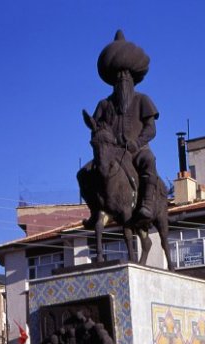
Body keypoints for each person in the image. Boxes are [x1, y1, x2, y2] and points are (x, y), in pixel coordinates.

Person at [79, 30, 159, 227]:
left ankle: (146, 205)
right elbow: (96, 129)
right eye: (118, 78)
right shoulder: (104, 105)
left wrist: (137, 142)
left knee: (148, 161)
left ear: (133, 79)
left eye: (126, 77)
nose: (122, 81)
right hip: (111, 153)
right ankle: (95, 212)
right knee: (83, 173)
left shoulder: (143, 100)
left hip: (136, 150)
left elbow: (151, 129)